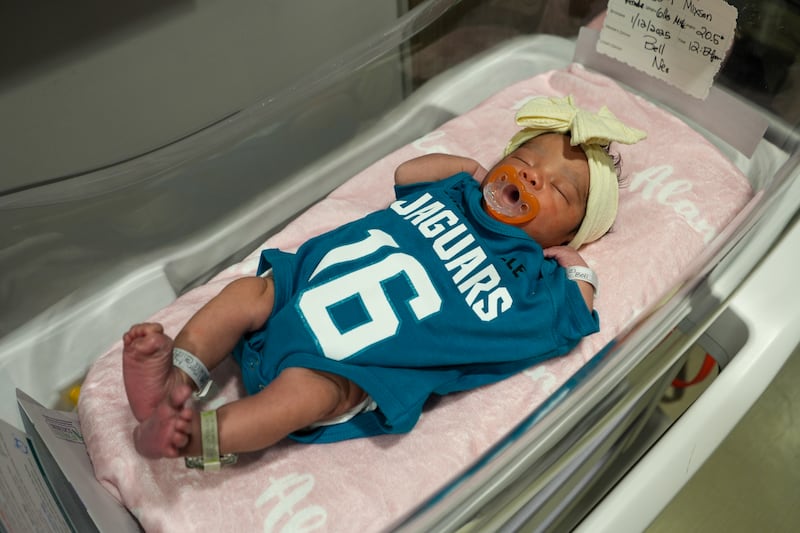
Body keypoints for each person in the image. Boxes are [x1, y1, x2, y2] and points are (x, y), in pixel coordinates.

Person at [122, 95, 646, 468]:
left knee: (299, 399)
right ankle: (175, 378)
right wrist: (468, 170)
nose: (533, 176)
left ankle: (194, 437)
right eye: (525, 160)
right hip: (302, 286)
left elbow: (573, 317)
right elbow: (407, 176)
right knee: (244, 294)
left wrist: (575, 267)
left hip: (351, 361)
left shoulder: (528, 276)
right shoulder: (456, 192)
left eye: (560, 189)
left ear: (571, 231)